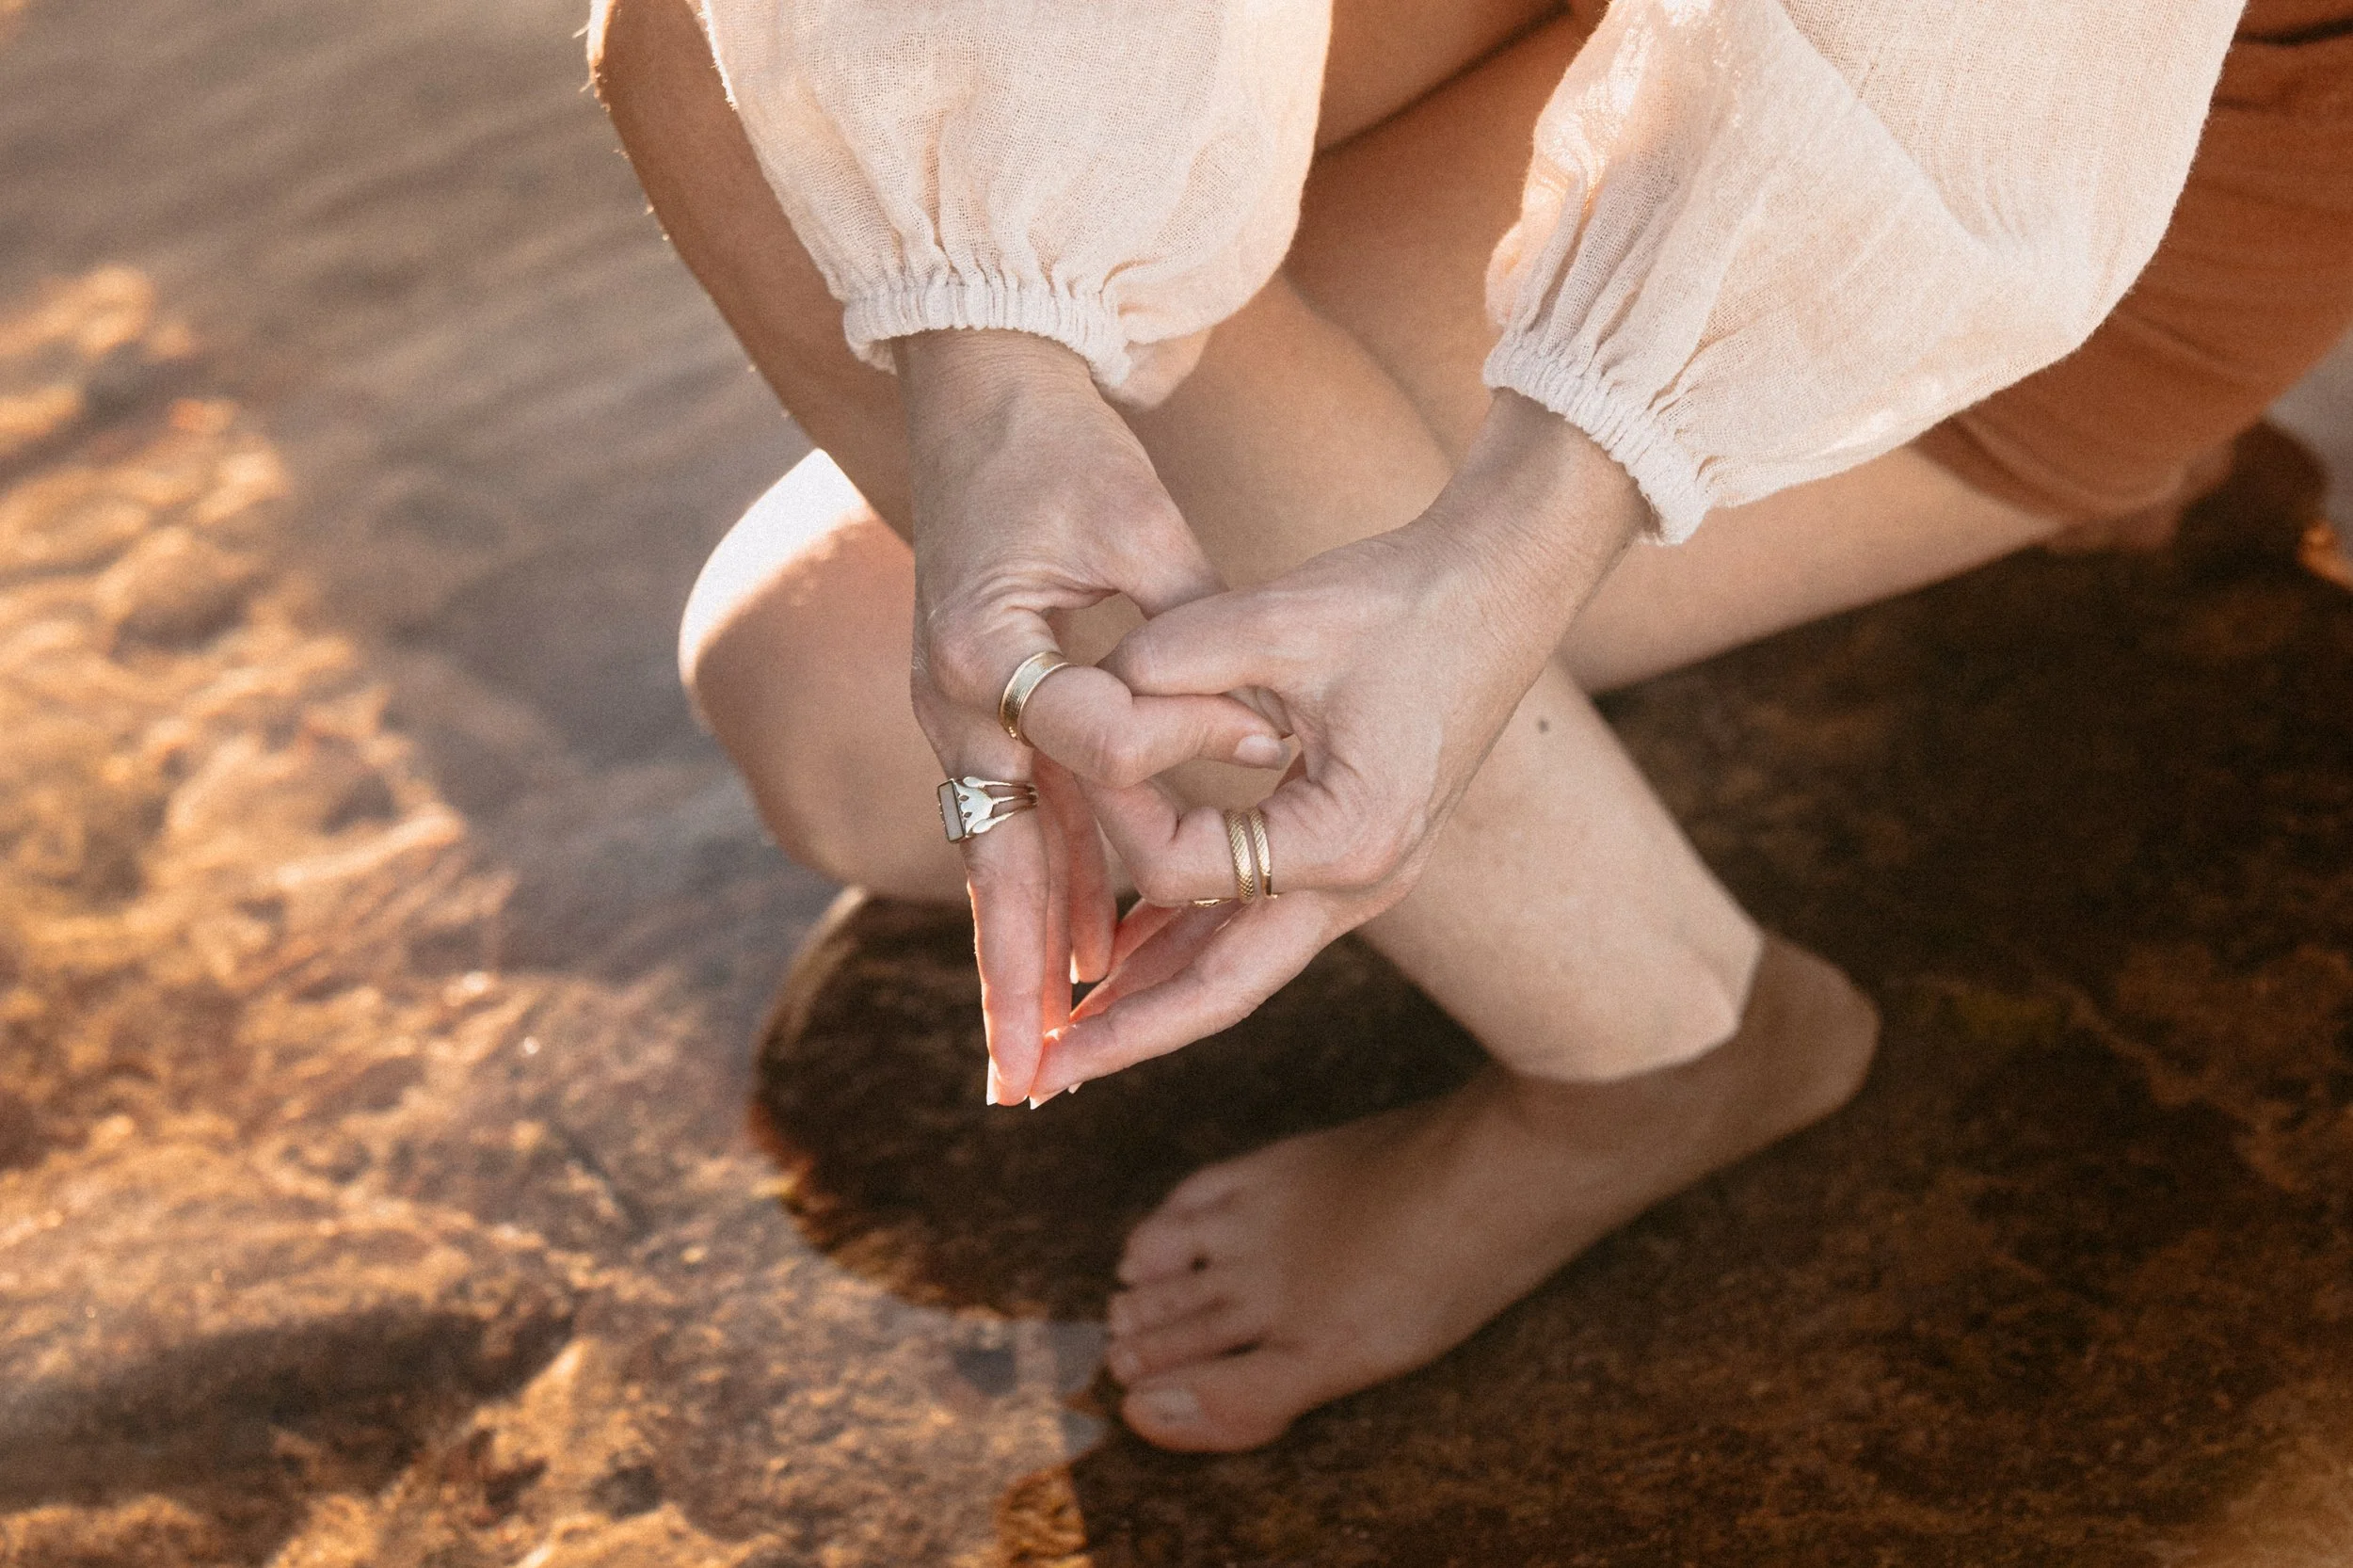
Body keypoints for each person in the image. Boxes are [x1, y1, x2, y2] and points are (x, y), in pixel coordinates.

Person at [589, 0, 2353, 1451]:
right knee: (728, 67)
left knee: (824, 693)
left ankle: (1669, 1041)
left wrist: (1528, 521)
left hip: (2089, 63)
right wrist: (995, 372)